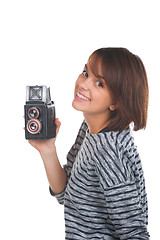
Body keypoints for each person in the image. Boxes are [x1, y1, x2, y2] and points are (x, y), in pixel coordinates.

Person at [28, 48, 150, 239]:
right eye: (86, 73)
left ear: (116, 102)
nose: (83, 84)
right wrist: (48, 150)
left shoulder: (109, 153)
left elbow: (135, 234)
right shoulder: (90, 128)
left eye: (99, 83)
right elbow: (66, 194)